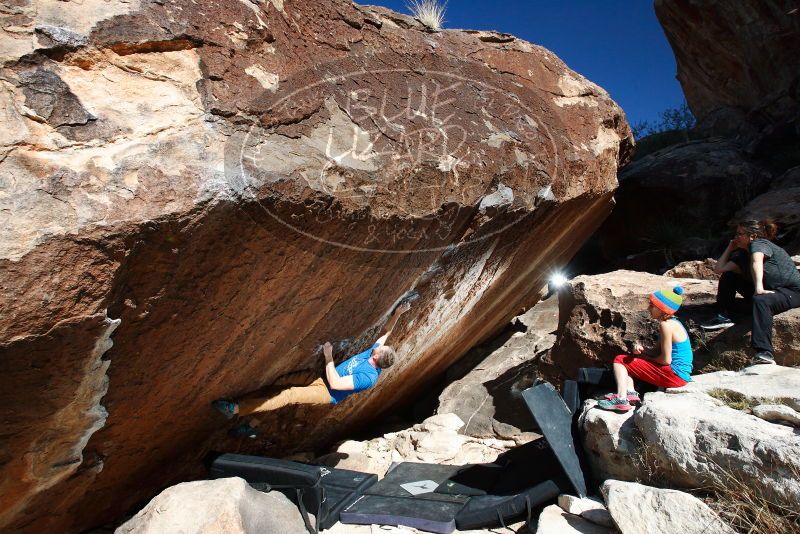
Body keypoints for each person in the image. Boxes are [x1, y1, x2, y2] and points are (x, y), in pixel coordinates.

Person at [212, 302, 411, 437]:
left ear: (377, 358)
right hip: (320, 377)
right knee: (280, 384)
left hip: (326, 393)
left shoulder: (368, 378)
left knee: (290, 394)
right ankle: (252, 426)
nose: (377, 346)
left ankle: (236, 409)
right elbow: (386, 332)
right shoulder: (373, 353)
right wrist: (398, 314)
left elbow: (335, 384)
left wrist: (328, 356)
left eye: (379, 349)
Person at [701, 219, 800, 364]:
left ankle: (764, 352)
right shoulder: (742, 254)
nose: (736, 238)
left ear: (752, 236)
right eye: (736, 234)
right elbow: (718, 269)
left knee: (761, 300)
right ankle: (723, 316)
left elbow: (757, 261)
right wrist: (730, 247)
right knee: (729, 276)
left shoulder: (760, 244)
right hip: (771, 293)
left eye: (740, 234)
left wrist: (759, 288)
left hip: (791, 291)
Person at [597, 286, 692, 412]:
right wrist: (643, 350)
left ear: (662, 309)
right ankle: (630, 393)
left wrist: (644, 357)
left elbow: (666, 360)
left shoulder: (666, 325)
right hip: (680, 375)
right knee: (630, 361)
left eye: (652, 305)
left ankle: (621, 399)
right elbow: (657, 351)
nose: (648, 308)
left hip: (674, 375)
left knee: (620, 360)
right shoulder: (673, 323)